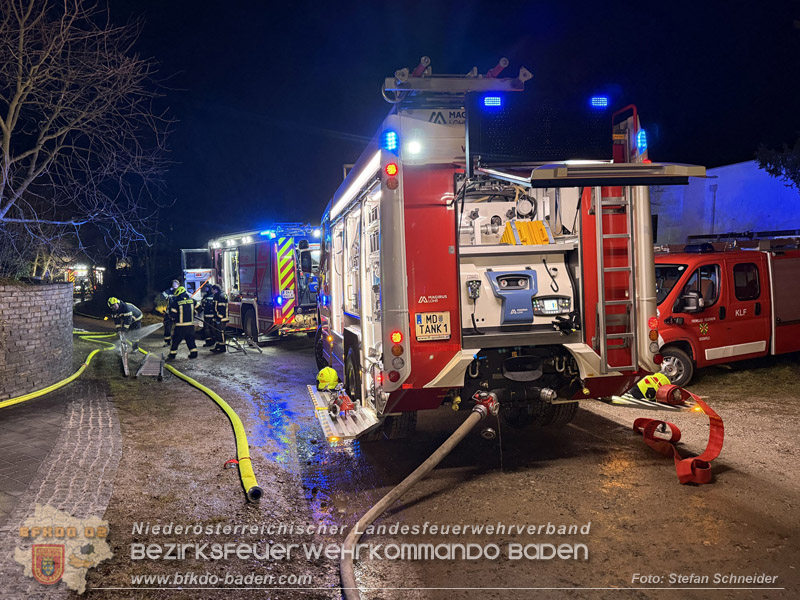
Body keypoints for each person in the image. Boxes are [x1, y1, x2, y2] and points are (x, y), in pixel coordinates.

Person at [167, 286, 198, 360]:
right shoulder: (192, 300)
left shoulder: (176, 302)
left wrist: (173, 318)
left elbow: (172, 314)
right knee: (190, 340)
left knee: (176, 340)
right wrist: (193, 313)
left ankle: (172, 354)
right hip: (190, 325)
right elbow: (199, 309)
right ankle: (194, 353)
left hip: (180, 326)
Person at [210, 284, 229, 354]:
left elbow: (222, 308)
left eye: (213, 290)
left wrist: (219, 316)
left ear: (216, 290)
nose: (212, 291)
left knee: (221, 332)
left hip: (221, 318)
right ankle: (218, 345)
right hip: (218, 318)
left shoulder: (220, 296)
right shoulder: (219, 295)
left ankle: (222, 347)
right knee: (217, 332)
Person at [161, 279, 180, 346]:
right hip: (169, 313)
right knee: (167, 327)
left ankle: (177, 341)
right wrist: (169, 290)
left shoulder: (180, 292)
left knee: (179, 327)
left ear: (178, 285)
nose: (174, 285)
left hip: (178, 313)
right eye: (173, 283)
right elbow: (162, 296)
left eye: (176, 284)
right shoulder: (169, 291)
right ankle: (167, 341)